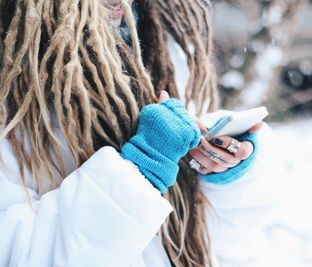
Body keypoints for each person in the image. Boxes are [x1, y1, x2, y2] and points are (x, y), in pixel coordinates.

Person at [0, 0, 272, 266]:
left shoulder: (163, 44)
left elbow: (209, 239)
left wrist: (224, 174)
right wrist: (142, 168)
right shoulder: (10, 98)